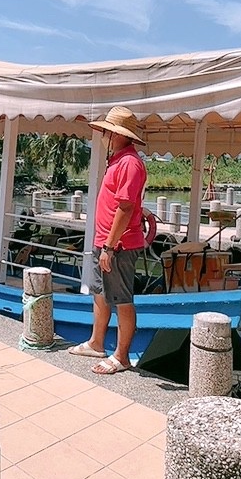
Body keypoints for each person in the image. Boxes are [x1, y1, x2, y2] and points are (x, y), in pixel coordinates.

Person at [69, 106, 147, 375]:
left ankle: (121, 356)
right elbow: (126, 202)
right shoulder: (117, 160)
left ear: (118, 135)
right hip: (105, 241)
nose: (104, 135)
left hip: (118, 245)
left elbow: (124, 208)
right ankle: (96, 341)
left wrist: (110, 247)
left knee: (122, 299)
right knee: (100, 294)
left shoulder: (129, 163)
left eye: (107, 131)